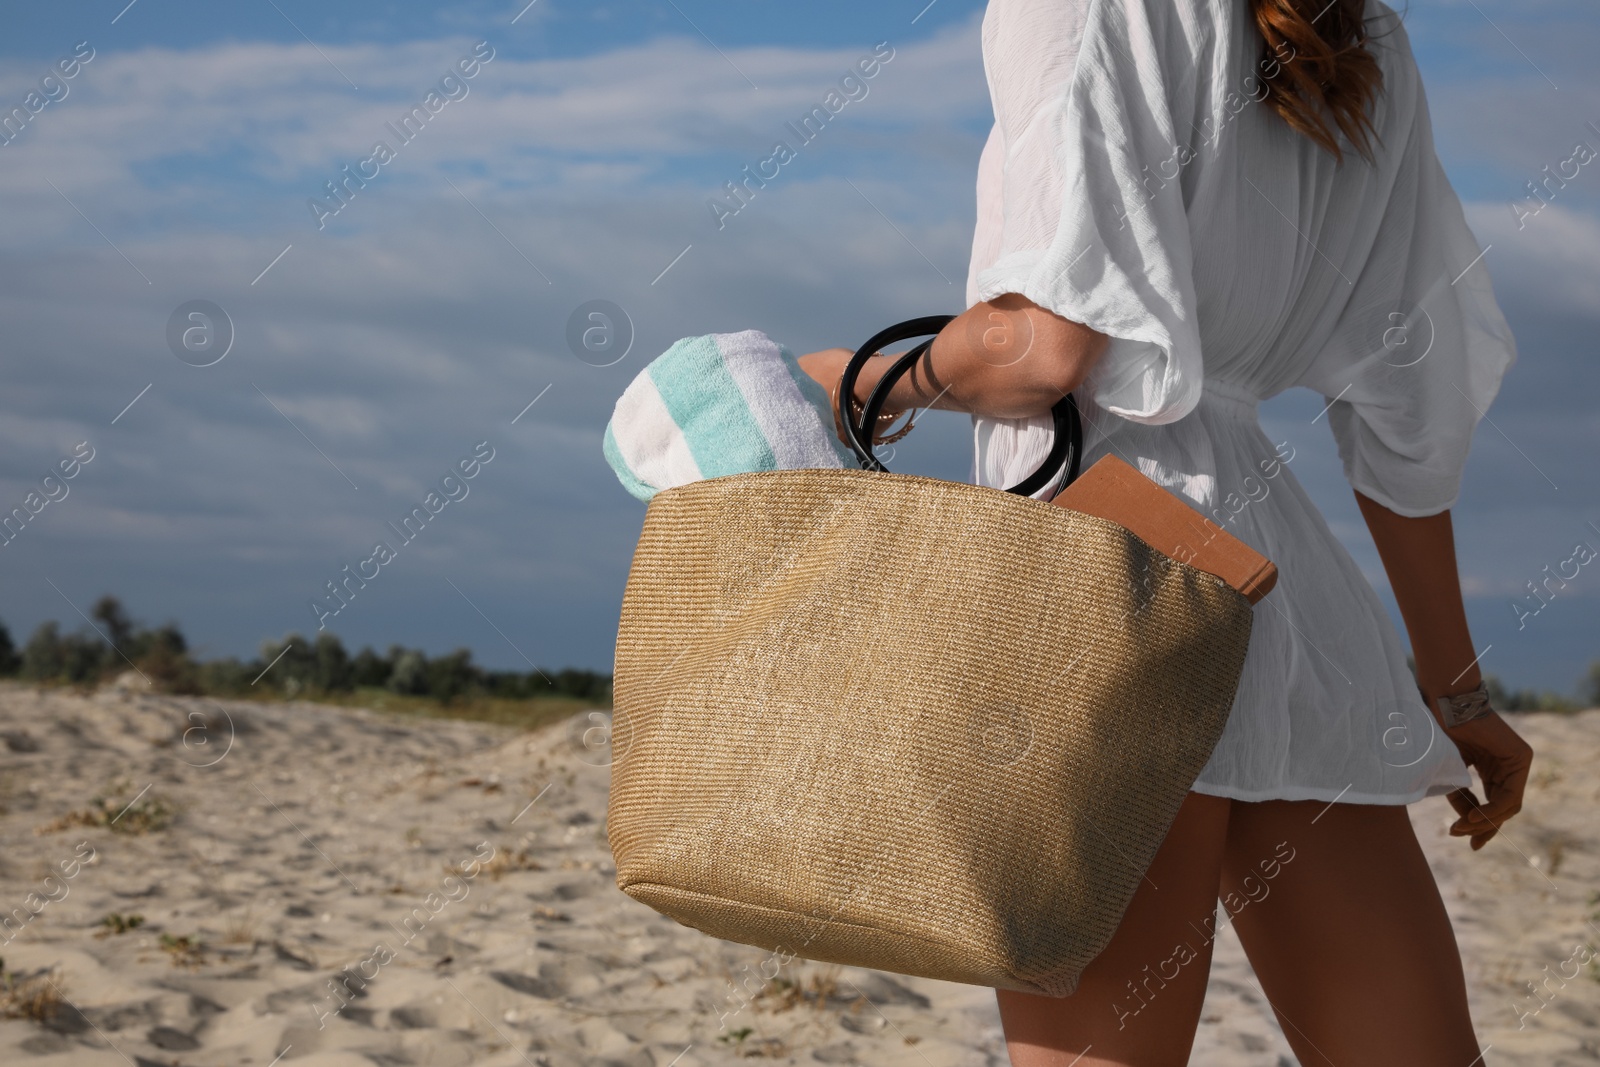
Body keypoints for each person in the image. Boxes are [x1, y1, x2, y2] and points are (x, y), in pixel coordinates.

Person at [797, 0, 1535, 1062]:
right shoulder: (1356, 28)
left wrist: (861, 381)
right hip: (1280, 596)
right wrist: (1458, 691)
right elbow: (1408, 412)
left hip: (1097, 573)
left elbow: (1046, 350)